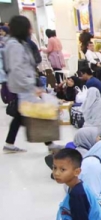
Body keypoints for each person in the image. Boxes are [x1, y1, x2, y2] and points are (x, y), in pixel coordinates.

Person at [4, 15, 60, 153]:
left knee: (21, 114)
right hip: (24, 86)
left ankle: (9, 144)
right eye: (29, 27)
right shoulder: (14, 45)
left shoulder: (19, 43)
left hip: (25, 85)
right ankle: (50, 143)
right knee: (37, 113)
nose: (31, 29)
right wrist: (31, 86)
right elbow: (17, 69)